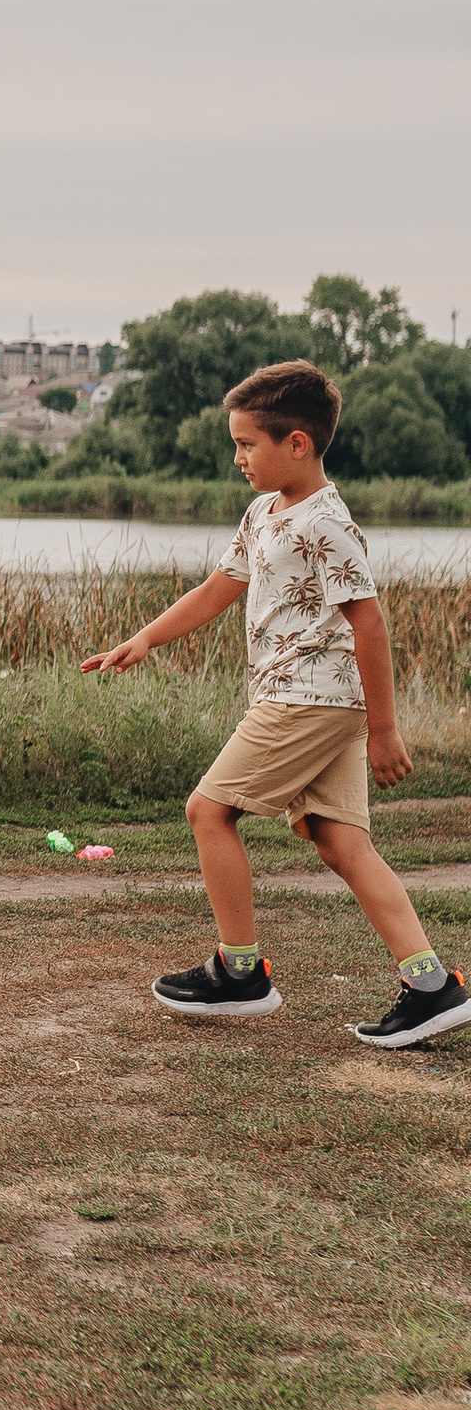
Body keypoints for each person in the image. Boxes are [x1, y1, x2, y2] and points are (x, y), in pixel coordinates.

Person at [83, 357, 467, 1045]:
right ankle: (431, 983)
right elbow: (216, 588)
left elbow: (370, 623)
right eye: (235, 443)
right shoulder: (264, 512)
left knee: (209, 810)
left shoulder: (327, 522)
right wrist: (143, 639)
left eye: (247, 443)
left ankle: (240, 972)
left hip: (309, 698)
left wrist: (385, 729)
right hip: (305, 698)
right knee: (340, 841)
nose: (238, 457)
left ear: (297, 443)